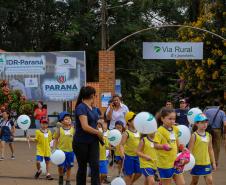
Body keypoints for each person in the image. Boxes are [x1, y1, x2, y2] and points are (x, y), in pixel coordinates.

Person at [73, 86, 103, 185]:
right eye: (95, 95)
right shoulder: (81, 107)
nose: (96, 97)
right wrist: (98, 132)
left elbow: (94, 123)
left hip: (93, 142)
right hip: (81, 142)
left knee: (95, 166)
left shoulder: (93, 108)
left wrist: (99, 128)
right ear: (92, 95)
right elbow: (85, 126)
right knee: (82, 167)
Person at [154, 107, 185, 185]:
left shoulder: (175, 129)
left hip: (175, 162)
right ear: (162, 119)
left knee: (182, 183)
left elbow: (177, 141)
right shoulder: (159, 131)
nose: (172, 121)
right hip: (164, 164)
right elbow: (155, 145)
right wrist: (163, 146)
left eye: (174, 119)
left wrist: (182, 148)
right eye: (170, 119)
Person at [188, 113, 216, 185]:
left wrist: (213, 162)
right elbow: (190, 150)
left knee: (209, 181)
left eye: (206, 122)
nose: (205, 124)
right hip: (196, 163)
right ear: (197, 124)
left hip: (206, 163)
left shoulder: (209, 135)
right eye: (202, 122)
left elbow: (210, 149)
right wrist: (189, 164)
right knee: (195, 181)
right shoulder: (194, 135)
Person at [120, 111, 141, 185]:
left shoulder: (139, 131)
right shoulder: (126, 133)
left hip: (137, 156)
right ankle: (129, 183)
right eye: (134, 120)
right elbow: (122, 145)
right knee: (129, 175)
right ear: (128, 122)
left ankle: (130, 183)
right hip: (128, 157)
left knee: (139, 172)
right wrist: (122, 154)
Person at [54, 111, 75, 185]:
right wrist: (55, 148)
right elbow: (56, 138)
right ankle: (61, 177)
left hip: (70, 151)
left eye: (69, 118)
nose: (69, 120)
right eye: (66, 119)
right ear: (62, 121)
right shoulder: (59, 129)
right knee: (60, 167)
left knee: (69, 167)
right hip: (61, 152)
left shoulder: (73, 129)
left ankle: (68, 181)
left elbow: (76, 139)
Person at [204, 102, 226, 166]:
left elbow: (202, 119)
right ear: (218, 106)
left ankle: (207, 160)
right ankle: (215, 162)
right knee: (216, 147)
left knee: (207, 145)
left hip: (208, 130)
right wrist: (224, 132)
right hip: (217, 131)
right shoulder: (222, 112)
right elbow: (225, 124)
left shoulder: (207, 111)